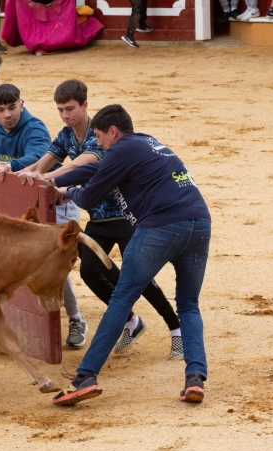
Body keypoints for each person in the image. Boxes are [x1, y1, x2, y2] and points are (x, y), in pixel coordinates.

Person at [50, 104, 211, 406]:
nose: (98, 144)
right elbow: (94, 169)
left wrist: (67, 191)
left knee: (122, 298)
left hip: (162, 226)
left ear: (113, 131)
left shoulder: (122, 149)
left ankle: (85, 376)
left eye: (100, 137)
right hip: (200, 224)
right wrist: (54, 179)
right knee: (189, 304)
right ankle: (195, 378)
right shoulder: (144, 144)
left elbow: (89, 196)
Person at [17, 80, 183, 357]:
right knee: (91, 270)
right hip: (98, 217)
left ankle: (176, 328)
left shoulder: (102, 132)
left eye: (70, 109)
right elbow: (41, 163)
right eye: (60, 110)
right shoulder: (66, 135)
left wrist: (49, 179)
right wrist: (24, 174)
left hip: (126, 215)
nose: (65, 115)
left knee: (140, 276)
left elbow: (81, 166)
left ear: (84, 105)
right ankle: (131, 320)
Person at [0, 84, 86, 342]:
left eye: (12, 108)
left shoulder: (34, 127)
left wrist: (8, 166)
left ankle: (75, 318)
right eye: (1, 110)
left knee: (52, 261)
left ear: (21, 105)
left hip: (56, 205)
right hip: (23, 208)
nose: (7, 115)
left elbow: (37, 155)